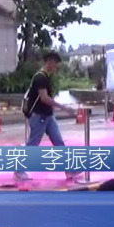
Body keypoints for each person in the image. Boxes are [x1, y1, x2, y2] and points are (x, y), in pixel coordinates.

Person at [14, 51, 81, 183]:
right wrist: (63, 108)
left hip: (47, 115)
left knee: (59, 143)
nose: (56, 66)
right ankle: (19, 170)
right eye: (55, 63)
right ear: (49, 62)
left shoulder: (45, 77)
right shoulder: (41, 78)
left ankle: (69, 169)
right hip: (39, 116)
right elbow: (44, 98)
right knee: (33, 144)